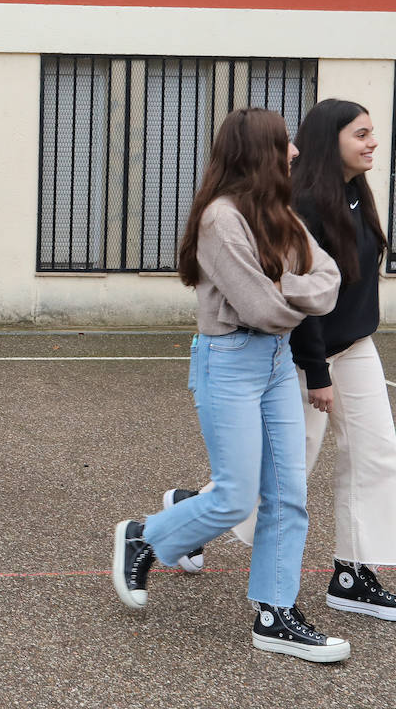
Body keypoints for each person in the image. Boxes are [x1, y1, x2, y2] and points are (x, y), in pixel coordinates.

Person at [111, 107, 348, 663]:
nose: (294, 152)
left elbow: (330, 280)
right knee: (236, 494)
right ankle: (145, 535)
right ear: (259, 151)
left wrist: (279, 283)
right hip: (230, 361)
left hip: (274, 363)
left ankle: (275, 614)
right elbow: (261, 309)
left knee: (289, 496)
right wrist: (288, 292)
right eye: (285, 144)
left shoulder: (281, 212)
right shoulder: (220, 219)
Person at [182, 101, 396, 620]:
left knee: (377, 454)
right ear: (328, 140)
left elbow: (343, 284)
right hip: (302, 356)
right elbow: (294, 304)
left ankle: (353, 573)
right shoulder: (303, 202)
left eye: (371, 133)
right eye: (361, 134)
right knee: (283, 476)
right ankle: (190, 516)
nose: (372, 142)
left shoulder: (356, 193)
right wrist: (317, 372)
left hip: (356, 346)